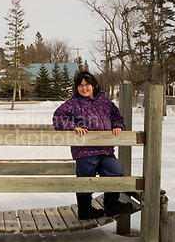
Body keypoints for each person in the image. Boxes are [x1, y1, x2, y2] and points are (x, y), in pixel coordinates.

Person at [52, 71, 133, 220]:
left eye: (87, 85)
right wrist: (72, 126)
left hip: (106, 149)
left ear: (93, 85)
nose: (84, 88)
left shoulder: (105, 101)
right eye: (80, 85)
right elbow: (58, 117)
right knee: (85, 179)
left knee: (115, 171)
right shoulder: (73, 103)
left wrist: (118, 126)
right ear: (76, 88)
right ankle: (84, 209)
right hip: (85, 150)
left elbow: (117, 117)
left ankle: (111, 204)